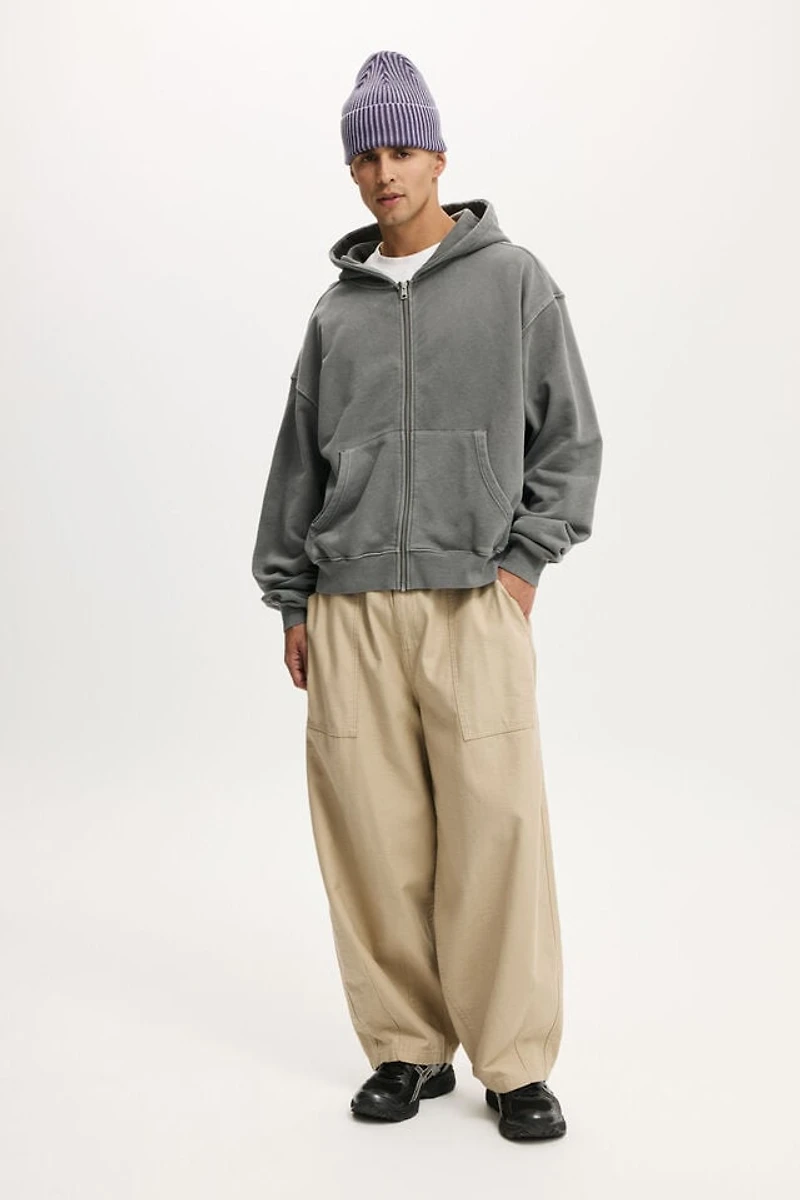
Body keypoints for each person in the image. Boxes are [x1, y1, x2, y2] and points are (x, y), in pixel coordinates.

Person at [251, 49, 603, 1141]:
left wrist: (523, 564)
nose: (383, 173)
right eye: (365, 157)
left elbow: (570, 439)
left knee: (497, 831)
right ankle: (406, 1048)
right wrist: (293, 601)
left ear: (439, 154)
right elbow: (297, 468)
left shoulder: (512, 281)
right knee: (373, 837)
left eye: (400, 150)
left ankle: (514, 1062)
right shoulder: (335, 315)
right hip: (350, 609)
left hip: (472, 600)